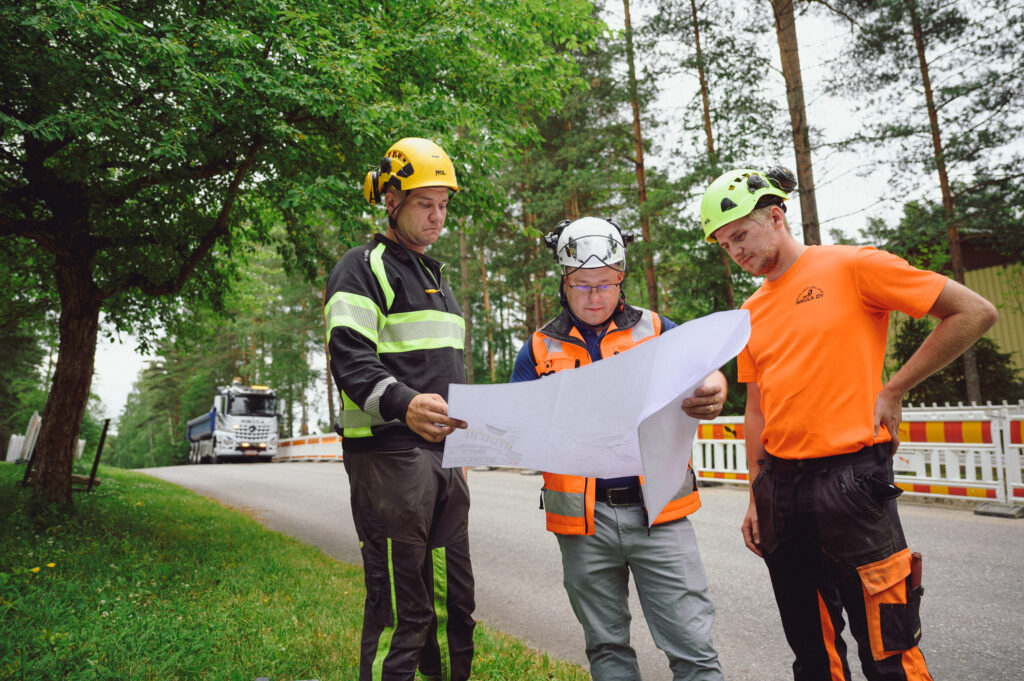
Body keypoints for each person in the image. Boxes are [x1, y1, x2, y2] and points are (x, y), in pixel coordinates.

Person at [700, 167, 998, 681]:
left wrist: (895, 387)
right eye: (726, 245)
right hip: (781, 493)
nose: (736, 252)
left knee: (889, 653)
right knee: (814, 658)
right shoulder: (750, 312)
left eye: (741, 235)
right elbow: (757, 407)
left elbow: (973, 312)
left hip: (853, 482)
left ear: (775, 216)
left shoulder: (850, 266)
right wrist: (755, 494)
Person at [510, 216, 727, 681]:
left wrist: (714, 385)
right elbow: (518, 427)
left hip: (659, 515)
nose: (595, 296)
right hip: (583, 526)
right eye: (583, 285)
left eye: (606, 283)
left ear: (621, 277)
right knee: (607, 649)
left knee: (693, 649)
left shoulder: (656, 330)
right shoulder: (538, 348)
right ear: (564, 282)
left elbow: (707, 370)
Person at [324, 137, 474, 681]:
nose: (437, 217)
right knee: (402, 607)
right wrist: (406, 405)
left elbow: (442, 371)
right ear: (390, 200)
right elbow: (351, 360)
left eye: (443, 205)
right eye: (423, 204)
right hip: (388, 457)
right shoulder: (360, 267)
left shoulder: (436, 277)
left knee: (454, 603)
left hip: (446, 460)